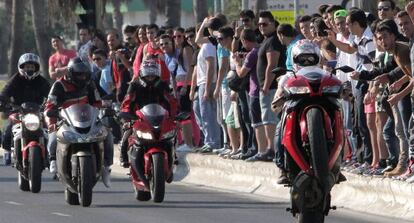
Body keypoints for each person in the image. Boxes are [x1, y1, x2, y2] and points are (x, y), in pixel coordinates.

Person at [45, 57, 113, 188]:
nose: (82, 77)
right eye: (79, 74)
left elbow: (97, 103)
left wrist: (104, 109)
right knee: (53, 136)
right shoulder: (59, 85)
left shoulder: (90, 84)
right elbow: (50, 105)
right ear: (70, 73)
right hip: (65, 121)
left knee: (108, 135)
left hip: (88, 120)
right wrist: (52, 122)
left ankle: (106, 166)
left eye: (84, 74)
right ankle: (53, 159)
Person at [119, 60, 174, 167]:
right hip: (138, 118)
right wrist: (127, 119)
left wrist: (174, 117)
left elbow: (172, 102)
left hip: (159, 117)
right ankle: (123, 157)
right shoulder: (134, 85)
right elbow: (127, 103)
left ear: (157, 74)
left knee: (171, 135)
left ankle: (173, 156)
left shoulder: (162, 85)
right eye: (147, 75)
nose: (150, 77)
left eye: (152, 75)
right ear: (142, 73)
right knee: (127, 133)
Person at [0, 53, 50, 166]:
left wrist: (52, 103)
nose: (29, 69)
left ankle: (51, 157)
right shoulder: (16, 79)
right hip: (18, 110)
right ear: (22, 67)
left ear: (36, 68)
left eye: (32, 67)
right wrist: (3, 102)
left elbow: (51, 94)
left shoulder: (41, 81)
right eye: (27, 67)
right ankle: (7, 152)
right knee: (8, 131)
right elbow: (5, 92)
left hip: (38, 111)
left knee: (49, 131)